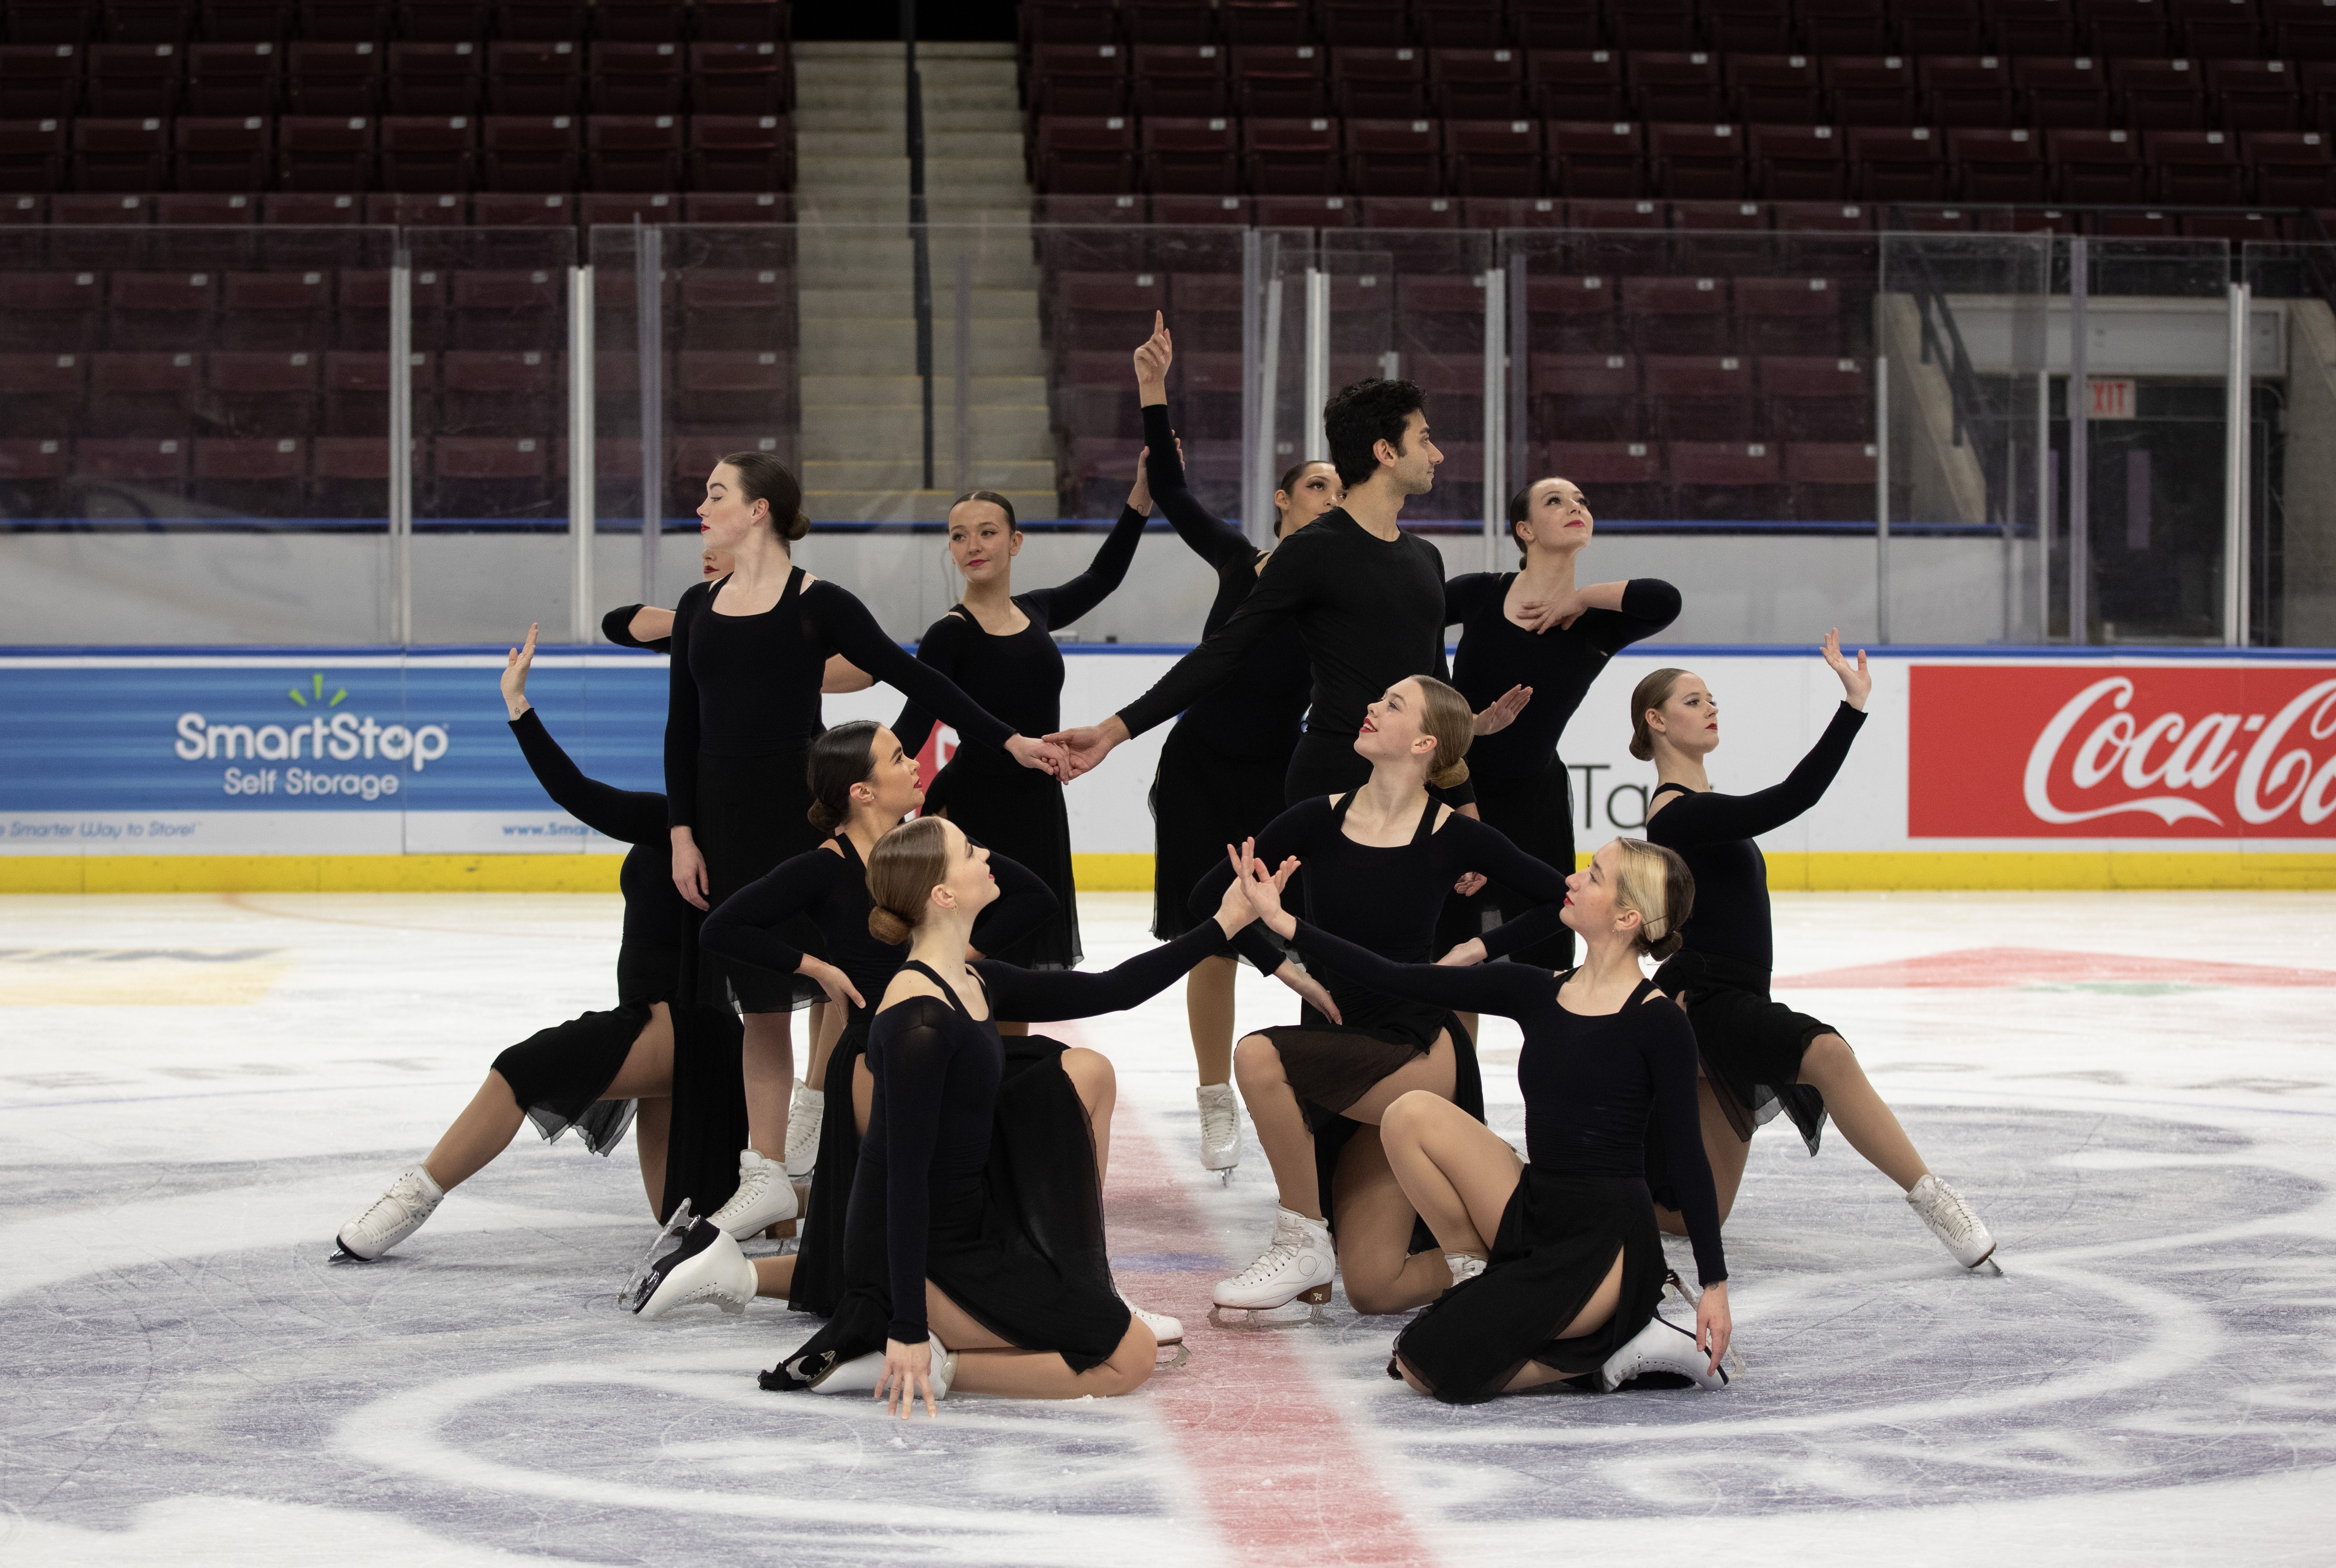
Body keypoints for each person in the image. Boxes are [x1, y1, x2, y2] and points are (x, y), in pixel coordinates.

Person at [705, 816, 1290, 1413]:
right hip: (921, 1257)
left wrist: (1226, 922)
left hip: (976, 1228)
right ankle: (919, 1357)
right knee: (1130, 1357)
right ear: (944, 893)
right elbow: (900, 1182)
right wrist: (907, 1323)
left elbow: (1112, 989)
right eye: (969, 849)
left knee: (1082, 1077)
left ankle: (950, 1347)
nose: (988, 852)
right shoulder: (919, 1022)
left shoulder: (971, 979)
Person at [663, 454, 1065, 1245]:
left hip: (803, 825)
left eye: (716, 493)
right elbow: (683, 725)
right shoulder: (696, 604)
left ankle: (848, 1150)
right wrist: (682, 829)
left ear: (762, 509)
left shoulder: (823, 605)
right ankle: (766, 1172)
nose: (703, 505)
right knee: (762, 1007)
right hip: (722, 827)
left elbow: (925, 682)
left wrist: (1009, 738)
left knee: (847, 992)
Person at [1232, 836, 1734, 1400]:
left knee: (1423, 1367)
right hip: (1533, 1203)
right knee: (1409, 1113)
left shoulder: (1659, 1021)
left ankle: (1620, 1344)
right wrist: (1285, 923)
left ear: (1627, 916)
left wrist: (1714, 1282)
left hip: (1604, 1241)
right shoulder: (1538, 989)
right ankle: (1476, 1266)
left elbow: (1688, 1154)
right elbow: (1394, 975)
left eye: (1593, 875)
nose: (1571, 879)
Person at [333, 625, 747, 1261]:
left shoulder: (731, 834)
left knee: (522, 1067)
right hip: (664, 1023)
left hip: (686, 1021)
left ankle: (413, 1197)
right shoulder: (673, 820)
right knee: (687, 1213)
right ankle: (841, 1195)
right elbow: (620, 632)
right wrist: (519, 704)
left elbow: (577, 794)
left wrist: (521, 709)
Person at [1188, 676, 1573, 1319]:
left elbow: (1564, 899)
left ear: (1425, 742)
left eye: (1392, 703)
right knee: (1374, 1286)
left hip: (1417, 1047)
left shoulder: (1454, 832)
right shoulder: (1316, 818)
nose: (1370, 705)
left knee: (1257, 1056)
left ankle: (1301, 1238)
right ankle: (1514, 1255)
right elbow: (1207, 900)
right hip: (1337, 1046)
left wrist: (1476, 951)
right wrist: (1286, 970)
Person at [1639, 633, 1997, 1270]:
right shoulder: (1674, 815)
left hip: (1735, 999)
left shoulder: (1704, 811)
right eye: (1695, 701)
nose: (1712, 708)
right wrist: (1852, 709)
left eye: (1712, 698)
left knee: (1696, 1214)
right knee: (1826, 1052)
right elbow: (1794, 797)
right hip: (1710, 997)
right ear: (1658, 720)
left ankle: (1589, 1193)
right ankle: (1935, 1200)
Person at [689, 720, 1056, 1311]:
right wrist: (818, 967)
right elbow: (721, 927)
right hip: (878, 1055)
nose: (915, 764)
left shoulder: (926, 850)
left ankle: (1025, 1269)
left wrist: (964, 955)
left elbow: (1037, 896)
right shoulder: (824, 867)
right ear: (862, 791)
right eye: (898, 756)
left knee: (1047, 1085)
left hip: (946, 1042)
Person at [1047, 376, 1539, 800]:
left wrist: (1463, 793)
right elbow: (1224, 651)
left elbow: (1436, 686)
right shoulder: (1312, 550)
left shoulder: (1425, 557)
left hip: (1403, 783)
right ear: (1386, 452)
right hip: (1330, 777)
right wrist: (1113, 731)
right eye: (1425, 438)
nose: (1438, 453)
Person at [1131, 313, 1341, 1177]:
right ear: (1286, 502)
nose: (1332, 498)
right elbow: (1174, 497)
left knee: (1304, 930)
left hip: (1280, 778)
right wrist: (1153, 392)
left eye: (1340, 487)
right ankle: (1215, 1095)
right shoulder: (1244, 560)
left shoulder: (1344, 590)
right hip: (1196, 768)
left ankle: (1320, 1087)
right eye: (1318, 487)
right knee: (1210, 937)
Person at [889, 485, 1148, 977]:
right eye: (960, 536)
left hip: (1039, 808)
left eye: (988, 533)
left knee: (1026, 970)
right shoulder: (949, 634)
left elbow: (1104, 576)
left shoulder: (1036, 611)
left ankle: (1017, 1058)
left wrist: (1138, 501)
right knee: (974, 968)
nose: (974, 546)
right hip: (973, 808)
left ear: (1016, 541)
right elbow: (913, 728)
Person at [1440, 476, 1682, 979]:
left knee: (1545, 958)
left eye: (1582, 502)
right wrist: (1463, 722)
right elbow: (1400, 629)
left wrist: (1580, 599)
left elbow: (1666, 600)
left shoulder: (1595, 622)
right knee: (1450, 953)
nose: (1576, 507)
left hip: (1536, 804)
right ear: (1524, 529)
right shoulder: (1481, 593)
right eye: (1556, 501)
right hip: (1457, 789)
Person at [603, 544, 875, 696]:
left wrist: (770, 672)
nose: (706, 554)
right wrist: (702, 620)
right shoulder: (700, 626)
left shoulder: (802, 614)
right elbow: (617, 625)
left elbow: (870, 667)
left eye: (722, 546)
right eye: (707, 545)